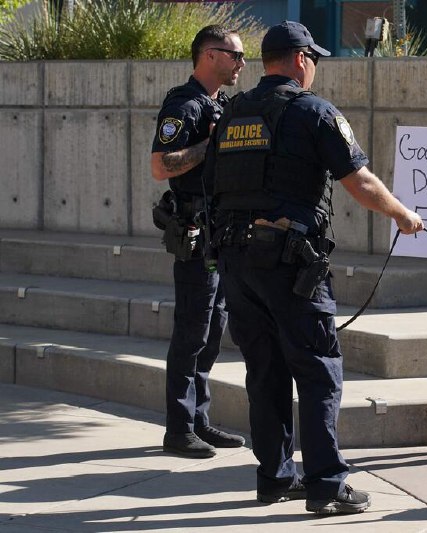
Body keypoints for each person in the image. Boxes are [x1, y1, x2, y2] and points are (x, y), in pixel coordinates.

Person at [202, 21, 423, 515]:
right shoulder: (313, 111)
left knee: (265, 372)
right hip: (289, 261)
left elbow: (212, 186)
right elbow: (358, 180)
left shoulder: (233, 113)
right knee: (319, 370)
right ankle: (326, 484)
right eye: (314, 60)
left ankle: (275, 478)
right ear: (302, 59)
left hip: (236, 260)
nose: (315, 68)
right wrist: (403, 215)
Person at [150, 25, 246, 458]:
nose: (242, 63)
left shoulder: (218, 104)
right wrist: (210, 145)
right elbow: (160, 165)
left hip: (219, 235)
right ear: (210, 55)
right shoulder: (183, 105)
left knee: (212, 330)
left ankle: (199, 420)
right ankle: (178, 428)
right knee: (191, 330)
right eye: (235, 55)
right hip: (195, 235)